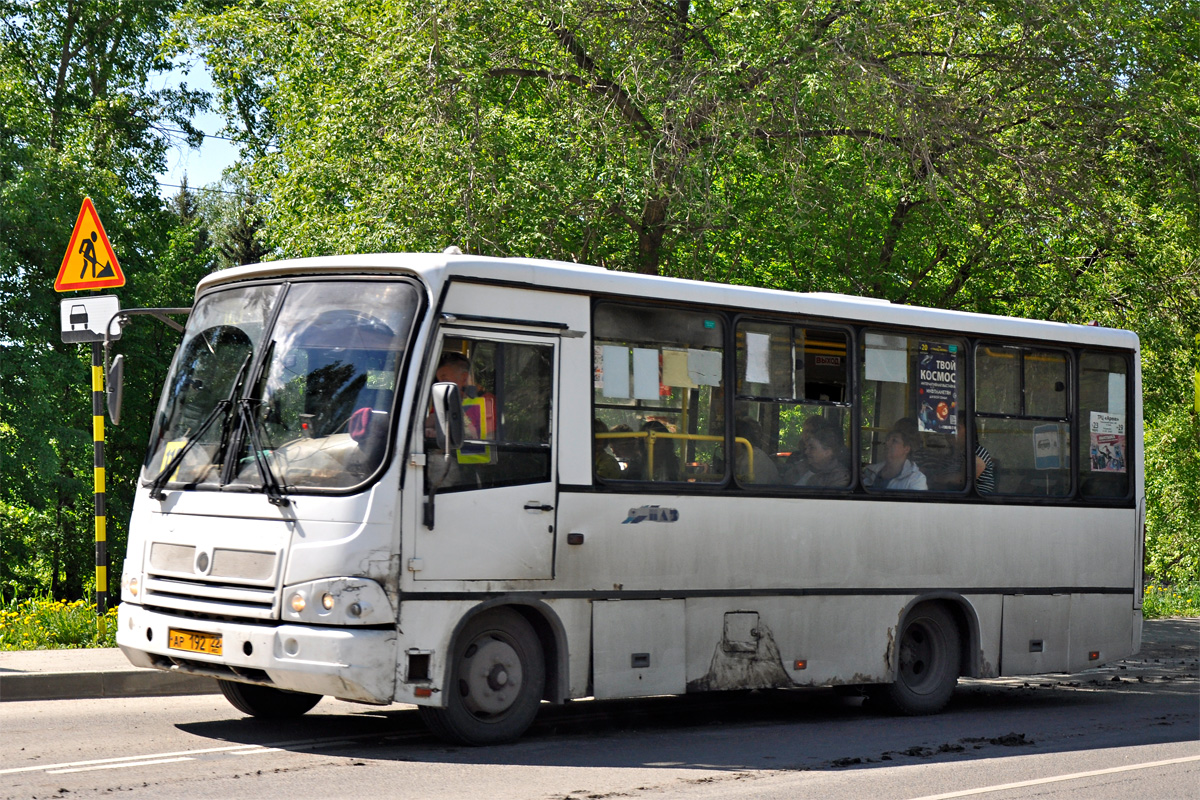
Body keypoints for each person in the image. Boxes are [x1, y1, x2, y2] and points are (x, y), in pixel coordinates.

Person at [862, 424, 927, 490]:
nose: (887, 443)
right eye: (887, 439)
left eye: (894, 441)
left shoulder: (916, 480)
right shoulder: (870, 472)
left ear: (906, 449)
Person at [734, 416, 781, 484]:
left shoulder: (757, 460)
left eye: (725, 440)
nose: (721, 444)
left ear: (741, 440)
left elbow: (752, 490)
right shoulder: (740, 457)